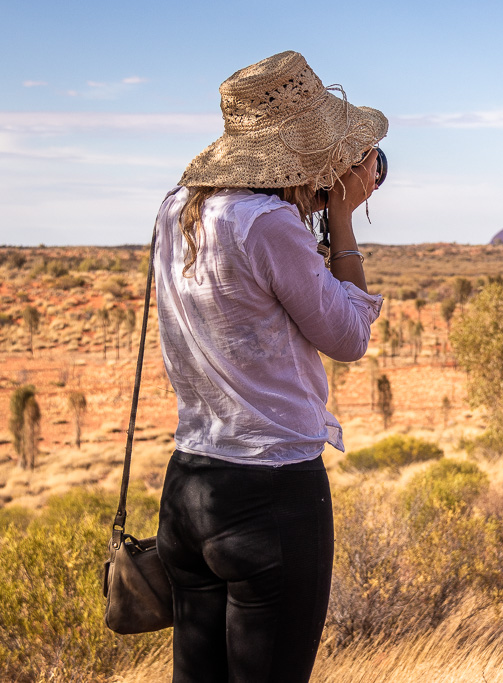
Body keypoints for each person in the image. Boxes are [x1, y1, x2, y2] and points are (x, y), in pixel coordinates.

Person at [153, 51, 386, 682]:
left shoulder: (177, 208)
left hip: (189, 485)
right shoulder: (268, 223)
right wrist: (339, 214)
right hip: (271, 491)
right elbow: (346, 335)